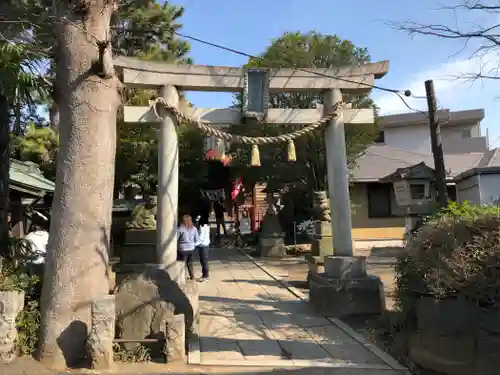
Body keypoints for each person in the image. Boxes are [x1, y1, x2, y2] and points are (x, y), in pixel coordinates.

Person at [177, 214, 199, 281]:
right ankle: (192, 277)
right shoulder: (194, 228)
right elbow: (196, 239)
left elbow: (176, 239)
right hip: (191, 248)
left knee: (182, 263)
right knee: (190, 263)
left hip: (182, 249)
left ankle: (182, 277)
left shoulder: (180, 229)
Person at [195, 207, 211, 282]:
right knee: (204, 260)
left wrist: (195, 244)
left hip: (203, 245)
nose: (196, 223)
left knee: (204, 261)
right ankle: (204, 275)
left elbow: (201, 237)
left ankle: (205, 276)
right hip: (206, 244)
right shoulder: (207, 226)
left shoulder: (202, 227)